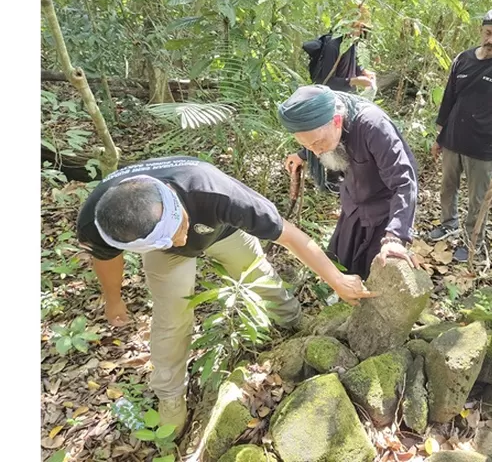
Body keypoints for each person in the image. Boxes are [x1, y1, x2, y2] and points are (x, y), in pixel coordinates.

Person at [76, 156, 375, 435]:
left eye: (178, 226)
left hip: (220, 230)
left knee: (259, 277)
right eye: (166, 239)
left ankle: (294, 320)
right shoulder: (101, 220)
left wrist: (336, 279)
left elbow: (290, 236)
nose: (180, 239)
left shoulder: (215, 191)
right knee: (172, 317)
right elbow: (105, 257)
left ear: (172, 195)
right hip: (165, 256)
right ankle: (170, 396)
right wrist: (113, 298)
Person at [279, 85, 419, 279]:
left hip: (383, 211)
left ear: (337, 121)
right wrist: (302, 154)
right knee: (340, 262)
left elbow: (404, 182)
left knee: (374, 274)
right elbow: (314, 140)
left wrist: (395, 236)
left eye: (318, 143)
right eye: (307, 145)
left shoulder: (373, 126)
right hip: (353, 204)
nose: (317, 152)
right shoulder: (325, 123)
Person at [429, 7, 492, 262]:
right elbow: (448, 100)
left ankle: (472, 238)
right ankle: (447, 223)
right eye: (488, 33)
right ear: (480, 31)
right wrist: (439, 135)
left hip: (483, 146)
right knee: (447, 187)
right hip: (453, 139)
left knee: (478, 198)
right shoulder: (462, 60)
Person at [294, 3, 377, 194]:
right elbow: (325, 81)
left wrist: (363, 73)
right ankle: (331, 180)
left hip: (348, 99)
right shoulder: (333, 45)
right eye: (359, 26)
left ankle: (343, 176)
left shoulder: (351, 43)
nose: (361, 31)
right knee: (330, 141)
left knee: (346, 139)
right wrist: (354, 81)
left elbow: (353, 68)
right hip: (331, 101)